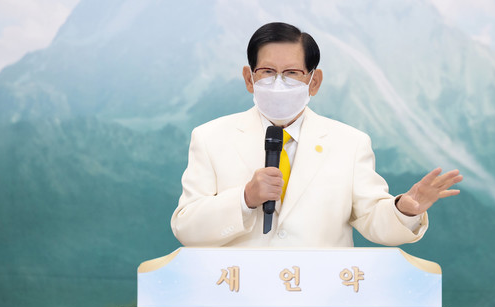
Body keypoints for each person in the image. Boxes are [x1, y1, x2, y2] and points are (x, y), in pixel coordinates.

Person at [170, 22, 463, 248]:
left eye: (292, 73)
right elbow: (186, 228)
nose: (279, 82)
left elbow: (372, 218)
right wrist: (245, 199)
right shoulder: (210, 138)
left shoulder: (350, 143)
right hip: (237, 294)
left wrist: (404, 210)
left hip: (322, 295)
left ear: (314, 81)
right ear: (249, 78)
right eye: (267, 71)